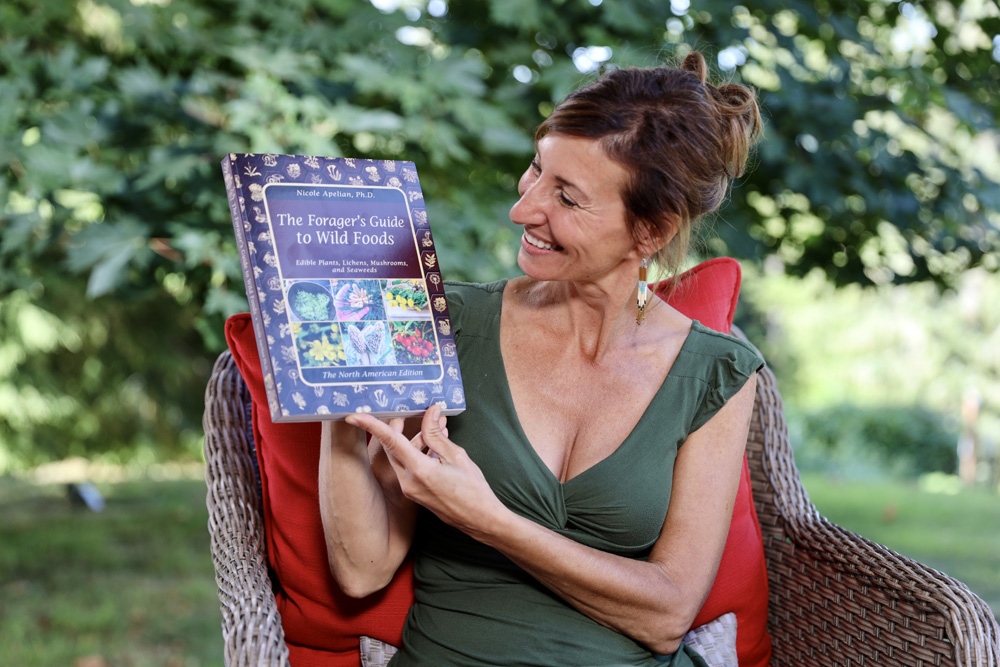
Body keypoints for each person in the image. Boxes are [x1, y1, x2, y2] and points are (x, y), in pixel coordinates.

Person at [318, 51, 764, 667]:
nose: (523, 210)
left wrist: (487, 519)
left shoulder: (715, 375)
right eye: (536, 170)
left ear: (650, 233)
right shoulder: (446, 322)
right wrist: (333, 391)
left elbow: (667, 616)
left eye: (568, 198)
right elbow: (362, 570)